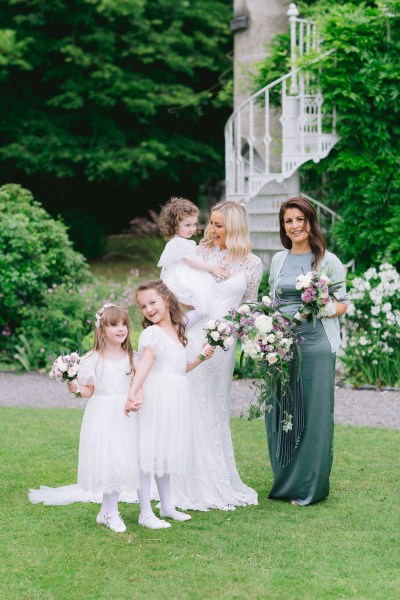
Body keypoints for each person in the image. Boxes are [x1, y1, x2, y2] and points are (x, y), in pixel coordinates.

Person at [170, 200, 263, 511]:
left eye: (219, 225)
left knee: (213, 406)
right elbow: (178, 292)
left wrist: (233, 331)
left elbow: (250, 307)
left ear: (234, 228)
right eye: (211, 222)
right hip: (194, 335)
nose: (211, 229)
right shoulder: (199, 253)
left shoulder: (252, 264)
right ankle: (182, 480)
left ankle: (216, 478)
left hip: (224, 344)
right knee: (189, 402)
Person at [29, 304, 141, 533]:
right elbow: (90, 389)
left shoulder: (131, 357)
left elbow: (136, 385)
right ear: (102, 330)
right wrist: (77, 388)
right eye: (113, 325)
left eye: (123, 324)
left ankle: (106, 510)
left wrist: (135, 400)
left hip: (125, 413)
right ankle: (111, 512)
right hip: (103, 414)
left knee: (121, 459)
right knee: (109, 459)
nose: (120, 329)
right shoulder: (92, 358)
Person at [266, 196, 347, 506]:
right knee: (282, 410)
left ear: (310, 222)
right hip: (280, 345)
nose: (295, 225)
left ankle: (310, 488)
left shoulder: (328, 260)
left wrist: (322, 308)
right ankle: (285, 483)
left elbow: (343, 303)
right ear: (283, 227)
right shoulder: (278, 260)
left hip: (316, 344)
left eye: (300, 219)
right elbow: (273, 301)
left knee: (313, 413)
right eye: (289, 221)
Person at [124, 280, 215, 528]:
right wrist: (133, 391)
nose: (148, 309)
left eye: (152, 302)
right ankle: (145, 513)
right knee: (149, 452)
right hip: (157, 396)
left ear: (166, 299)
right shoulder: (151, 333)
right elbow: (144, 365)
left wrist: (201, 359)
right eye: (143, 306)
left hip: (175, 394)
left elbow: (179, 368)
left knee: (163, 452)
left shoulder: (176, 330)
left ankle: (166, 506)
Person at [158, 197, 230, 329]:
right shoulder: (178, 242)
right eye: (187, 225)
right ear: (174, 225)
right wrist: (212, 268)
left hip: (185, 276)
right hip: (183, 279)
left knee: (201, 308)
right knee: (202, 308)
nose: (192, 228)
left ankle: (180, 327)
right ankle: (179, 328)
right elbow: (190, 261)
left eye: (194, 224)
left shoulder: (181, 241)